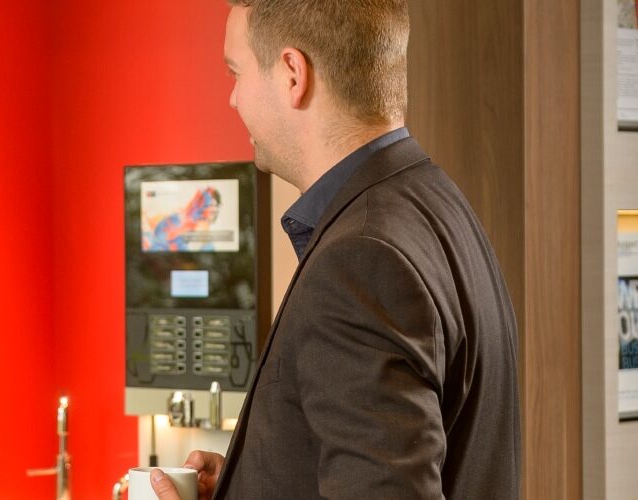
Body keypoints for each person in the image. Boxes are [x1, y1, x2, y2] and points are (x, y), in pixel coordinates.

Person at [152, 0, 520, 498]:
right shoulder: (437, 205)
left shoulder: (361, 261)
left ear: (291, 73)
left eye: (236, 72)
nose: (234, 99)